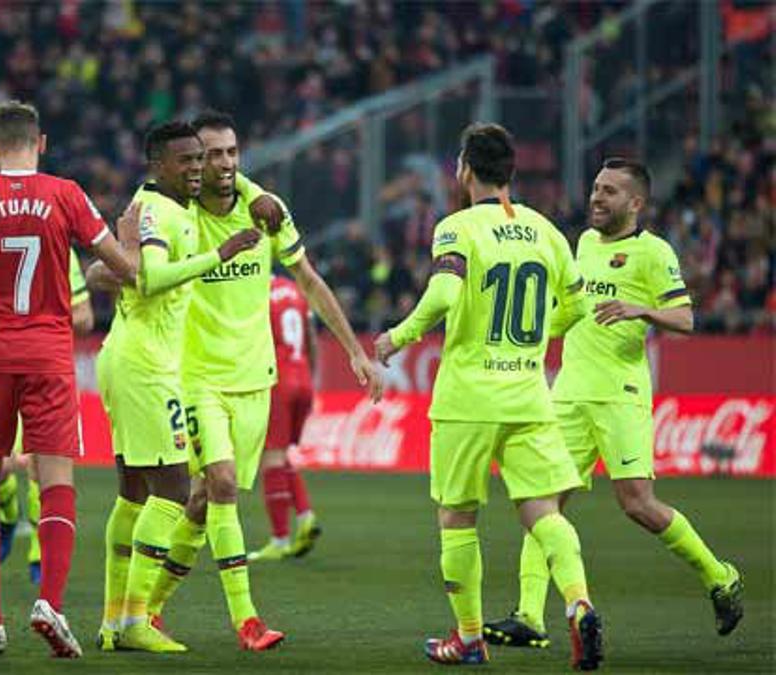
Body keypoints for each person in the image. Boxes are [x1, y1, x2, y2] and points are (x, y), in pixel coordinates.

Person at [141, 110, 381, 651]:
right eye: (210, 155)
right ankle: (247, 619)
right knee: (222, 483)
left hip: (256, 381)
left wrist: (354, 353)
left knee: (204, 502)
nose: (222, 163)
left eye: (231, 152)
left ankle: (147, 610)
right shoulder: (176, 213)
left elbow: (310, 282)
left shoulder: (264, 208)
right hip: (196, 378)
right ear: (193, 163)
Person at [484, 158, 743, 649]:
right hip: (568, 395)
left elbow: (686, 318)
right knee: (544, 503)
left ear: (636, 203)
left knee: (637, 504)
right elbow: (572, 310)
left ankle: (719, 575)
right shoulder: (581, 243)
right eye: (596, 188)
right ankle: (529, 616)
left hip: (619, 395)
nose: (597, 198)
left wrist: (642, 308)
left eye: (609, 192)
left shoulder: (652, 252)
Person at [374, 123, 603, 669]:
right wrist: (528, 336)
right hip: (528, 395)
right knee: (543, 512)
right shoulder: (546, 230)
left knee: (457, 518)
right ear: (512, 174)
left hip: (468, 399)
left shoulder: (456, 228)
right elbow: (575, 309)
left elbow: (444, 292)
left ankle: (470, 639)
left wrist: (397, 337)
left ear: (465, 171)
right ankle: (578, 603)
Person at [0, 100, 138, 659]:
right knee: (56, 480)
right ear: (41, 144)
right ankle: (50, 602)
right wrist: (135, 266)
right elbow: (118, 264)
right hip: (50, 354)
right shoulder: (66, 194)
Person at [90, 120, 261, 653]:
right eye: (184, 161)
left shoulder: (156, 207)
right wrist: (221, 254)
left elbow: (114, 271)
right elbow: (150, 277)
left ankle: (113, 620)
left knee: (133, 494)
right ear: (156, 165)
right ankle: (136, 620)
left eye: (198, 160)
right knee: (173, 493)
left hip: (128, 355)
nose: (195, 169)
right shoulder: (159, 213)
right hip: (148, 365)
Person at [0, 249, 94, 586]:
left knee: (39, 465)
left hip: (45, 369)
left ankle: (38, 550)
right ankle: (6, 514)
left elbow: (85, 317)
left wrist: (41, 323)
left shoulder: (61, 249)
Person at [250, 272, 320, 561]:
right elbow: (312, 339)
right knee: (283, 454)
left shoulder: (253, 292)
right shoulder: (295, 290)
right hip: (302, 376)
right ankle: (305, 517)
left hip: (276, 378)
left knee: (270, 456)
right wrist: (309, 375)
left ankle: (279, 540)